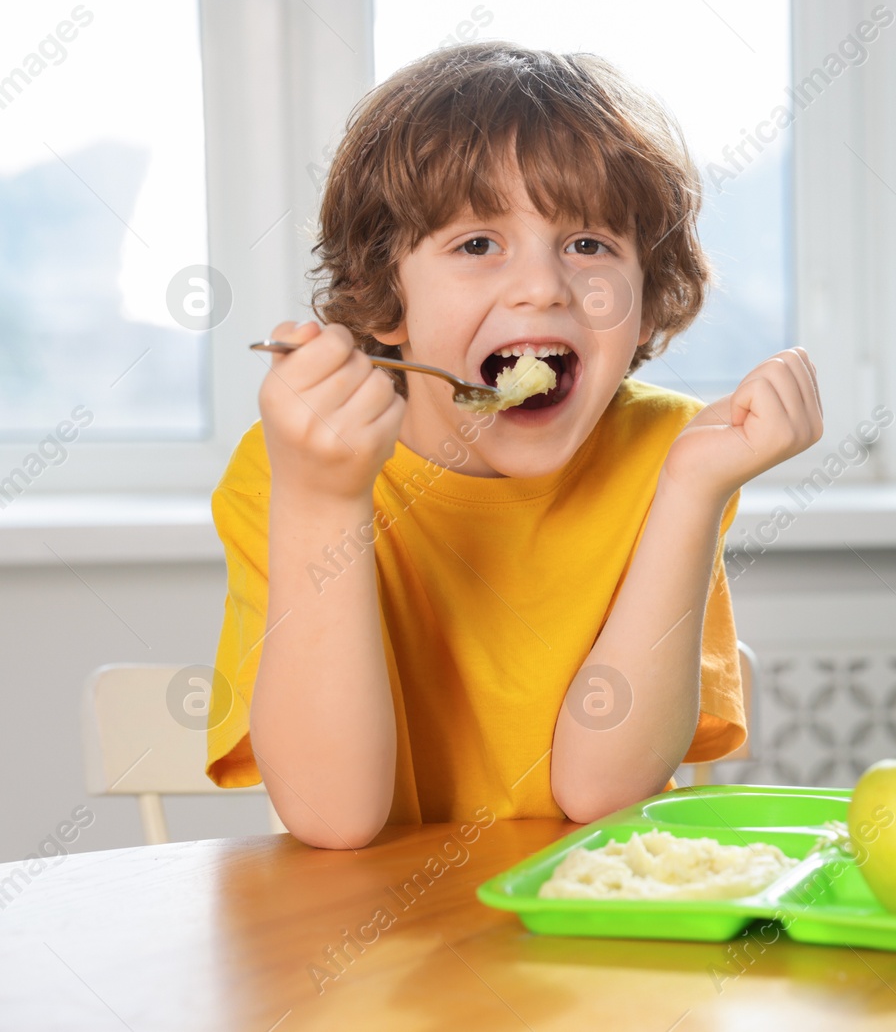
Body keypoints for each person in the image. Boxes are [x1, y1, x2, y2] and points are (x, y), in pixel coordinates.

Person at [205, 42, 823, 849]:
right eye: (477, 244)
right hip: (367, 954)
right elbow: (334, 815)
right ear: (388, 298)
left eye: (589, 244)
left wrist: (691, 494)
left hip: (585, 938)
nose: (542, 286)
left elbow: (600, 791)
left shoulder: (671, 457)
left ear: (643, 304)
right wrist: (324, 502)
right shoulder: (291, 469)